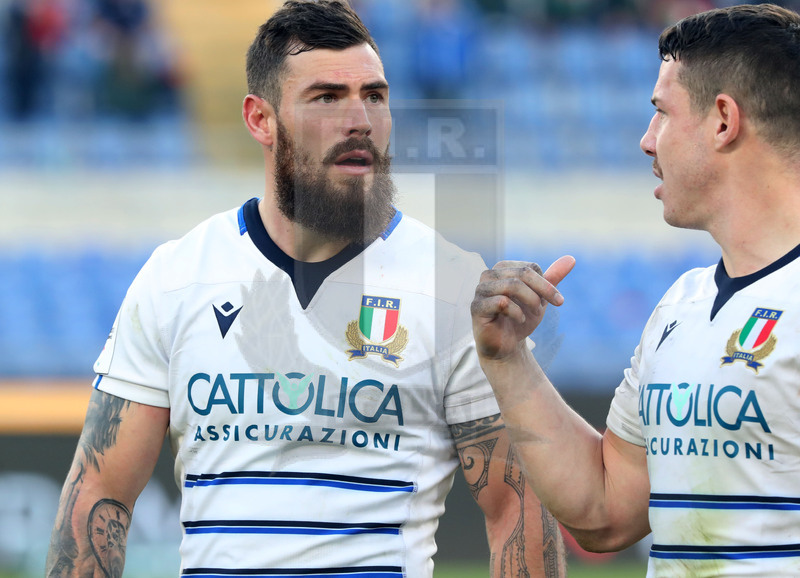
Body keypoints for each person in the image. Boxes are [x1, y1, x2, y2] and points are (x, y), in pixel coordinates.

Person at [45, 2, 565, 577]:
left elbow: (519, 506)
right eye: (327, 97)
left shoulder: (454, 288)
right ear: (260, 119)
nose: (360, 119)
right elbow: (100, 490)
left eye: (374, 95)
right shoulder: (177, 277)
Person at [471, 3, 800, 576]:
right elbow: (605, 511)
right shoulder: (683, 304)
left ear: (723, 120)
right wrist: (506, 359)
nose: (647, 142)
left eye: (661, 114)